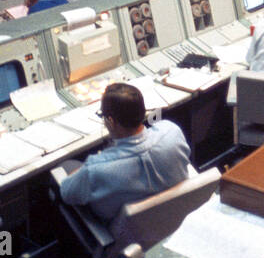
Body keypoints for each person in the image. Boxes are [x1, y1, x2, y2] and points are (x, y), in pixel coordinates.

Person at [57, 83, 192, 222]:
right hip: (177, 216)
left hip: (128, 235)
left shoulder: (94, 169)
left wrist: (84, 170)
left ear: (110, 121)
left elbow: (66, 193)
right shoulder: (171, 131)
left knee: (66, 166)